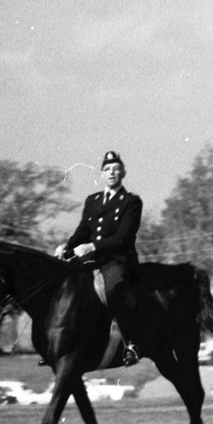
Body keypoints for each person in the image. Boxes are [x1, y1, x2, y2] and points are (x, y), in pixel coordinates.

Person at [54, 150, 146, 365]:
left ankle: (131, 344)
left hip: (118, 260)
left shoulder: (131, 202)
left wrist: (93, 246)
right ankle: (63, 343)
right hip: (92, 259)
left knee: (112, 291)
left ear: (123, 173)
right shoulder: (92, 200)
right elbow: (82, 231)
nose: (111, 173)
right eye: (107, 169)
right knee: (65, 287)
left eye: (116, 169)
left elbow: (123, 237)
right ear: (101, 174)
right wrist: (67, 247)